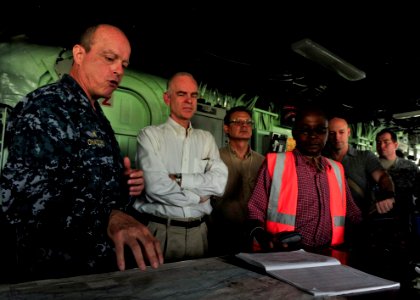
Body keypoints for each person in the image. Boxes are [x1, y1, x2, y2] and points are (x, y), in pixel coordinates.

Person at [0, 24, 163, 283]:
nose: (119, 70)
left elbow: (86, 184)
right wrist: (108, 217)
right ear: (79, 54)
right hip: (57, 276)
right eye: (110, 58)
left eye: (124, 64)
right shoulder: (46, 107)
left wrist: (124, 183)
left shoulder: (96, 115)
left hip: (97, 271)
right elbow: (22, 200)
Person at [133, 72, 228, 262]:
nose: (189, 101)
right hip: (161, 232)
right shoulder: (150, 136)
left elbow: (219, 182)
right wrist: (198, 196)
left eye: (193, 95)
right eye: (181, 94)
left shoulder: (206, 138)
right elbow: (156, 187)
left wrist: (180, 179)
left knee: (200, 290)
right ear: (167, 98)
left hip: (199, 233)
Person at [246, 106, 362, 256]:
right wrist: (263, 237)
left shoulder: (337, 169)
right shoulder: (275, 164)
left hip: (328, 255)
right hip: (284, 255)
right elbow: (254, 211)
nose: (313, 136)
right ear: (294, 133)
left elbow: (352, 213)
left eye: (320, 130)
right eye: (305, 130)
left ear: (326, 133)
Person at [208, 106, 265, 256]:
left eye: (248, 122)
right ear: (226, 128)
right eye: (238, 122)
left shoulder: (262, 162)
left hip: (252, 236)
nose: (244, 125)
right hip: (219, 234)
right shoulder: (214, 158)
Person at [324, 117, 395, 218]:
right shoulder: (321, 159)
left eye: (341, 132)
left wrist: (388, 195)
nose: (337, 137)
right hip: (330, 219)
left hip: (360, 219)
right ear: (327, 134)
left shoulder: (365, 156)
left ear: (348, 132)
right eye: (332, 133)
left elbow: (382, 177)